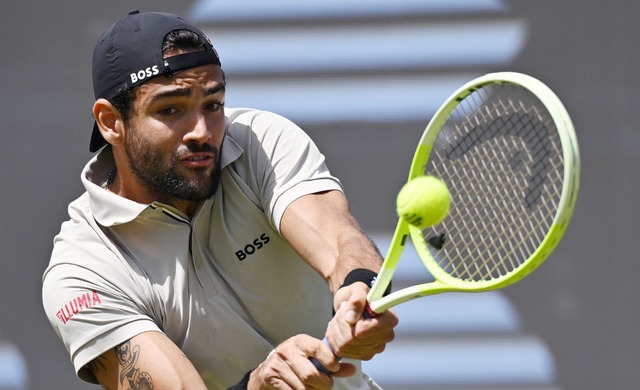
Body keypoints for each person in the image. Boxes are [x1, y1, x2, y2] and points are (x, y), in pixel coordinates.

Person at [41, 10, 398, 390]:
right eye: (170, 109)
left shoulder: (260, 140)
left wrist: (359, 292)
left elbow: (339, 241)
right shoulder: (81, 271)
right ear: (111, 121)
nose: (201, 132)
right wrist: (261, 383)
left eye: (212, 105)